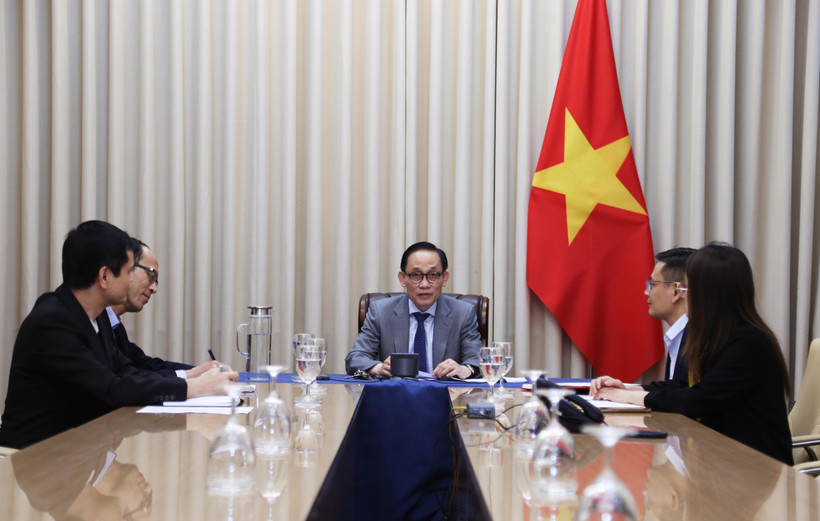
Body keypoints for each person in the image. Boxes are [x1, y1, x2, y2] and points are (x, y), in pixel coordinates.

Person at [0, 221, 237, 449]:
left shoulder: (96, 318)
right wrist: (194, 388)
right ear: (104, 277)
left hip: (80, 449)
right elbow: (110, 389)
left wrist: (191, 380)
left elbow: (128, 372)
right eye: (126, 272)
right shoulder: (52, 321)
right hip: (35, 458)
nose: (131, 280)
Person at [590, 242, 793, 464]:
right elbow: (682, 386)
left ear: (711, 293)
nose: (684, 295)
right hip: (719, 458)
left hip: (756, 466)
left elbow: (698, 400)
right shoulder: (714, 336)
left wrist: (625, 397)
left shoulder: (749, 342)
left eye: (689, 288)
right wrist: (624, 388)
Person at [345, 241, 481, 379]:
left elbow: (477, 362)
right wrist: (380, 368)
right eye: (416, 275)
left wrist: (465, 369)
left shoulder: (463, 313)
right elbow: (355, 359)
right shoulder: (380, 312)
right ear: (403, 279)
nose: (424, 284)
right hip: (395, 396)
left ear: (444, 278)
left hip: (445, 396)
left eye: (433, 275)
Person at [101, 240, 229, 378]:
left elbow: (147, 365)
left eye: (155, 281)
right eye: (151, 276)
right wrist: (193, 382)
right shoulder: (91, 323)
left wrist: (200, 371)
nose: (154, 289)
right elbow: (126, 379)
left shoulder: (116, 327)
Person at [644, 247, 695, 383]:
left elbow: (684, 396)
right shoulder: (679, 334)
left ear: (675, 291)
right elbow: (671, 391)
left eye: (653, 284)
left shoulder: (700, 338)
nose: (646, 292)